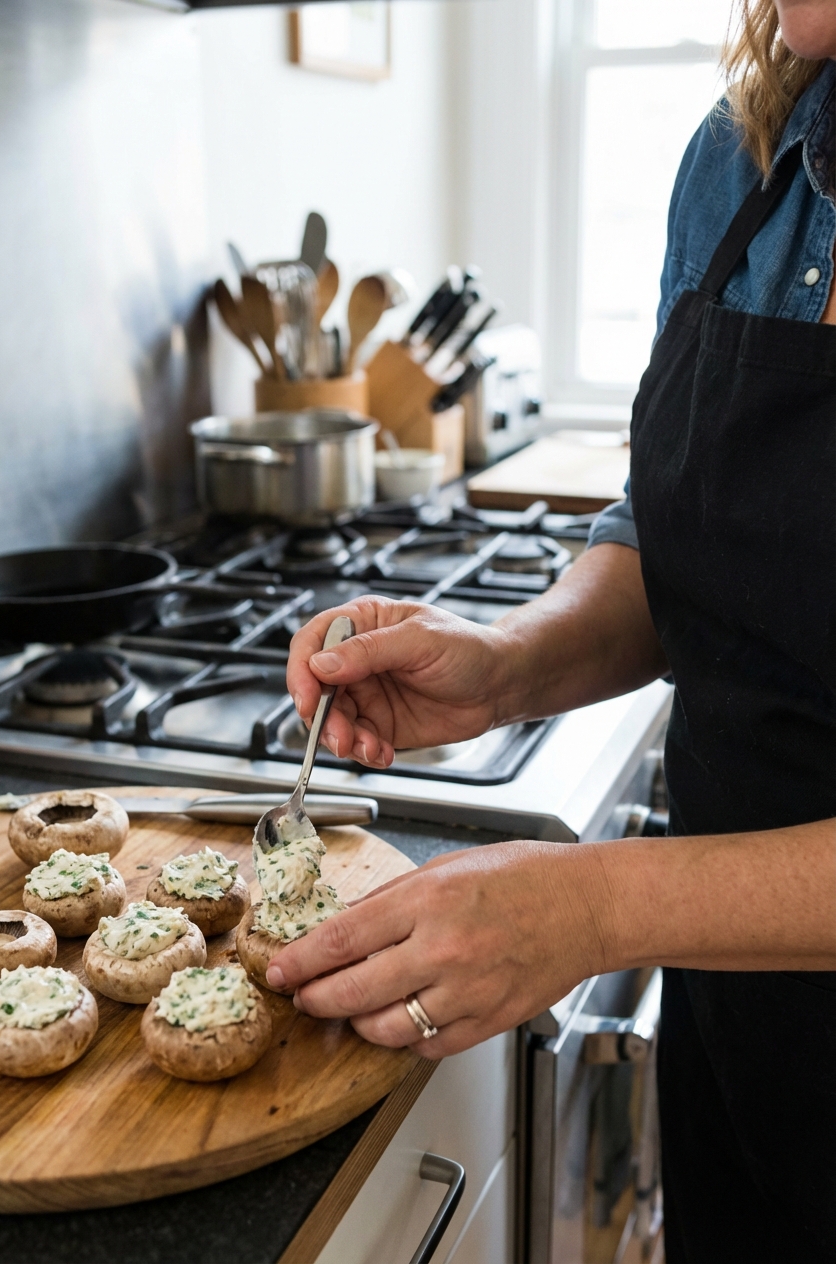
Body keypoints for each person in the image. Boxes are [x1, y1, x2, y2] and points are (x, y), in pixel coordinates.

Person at [268, 1, 836, 1256]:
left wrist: (593, 908)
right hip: (741, 1030)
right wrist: (503, 665)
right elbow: (680, 532)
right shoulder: (748, 150)